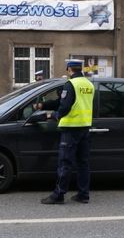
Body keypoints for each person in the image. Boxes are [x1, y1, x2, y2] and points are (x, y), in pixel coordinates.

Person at [37, 59, 95, 205]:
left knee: (65, 163)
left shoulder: (70, 84)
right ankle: (83, 195)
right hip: (85, 127)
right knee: (83, 163)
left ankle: (59, 195)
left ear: (69, 69)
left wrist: (53, 116)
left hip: (71, 128)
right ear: (79, 69)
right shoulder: (89, 84)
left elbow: (64, 106)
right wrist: (44, 105)